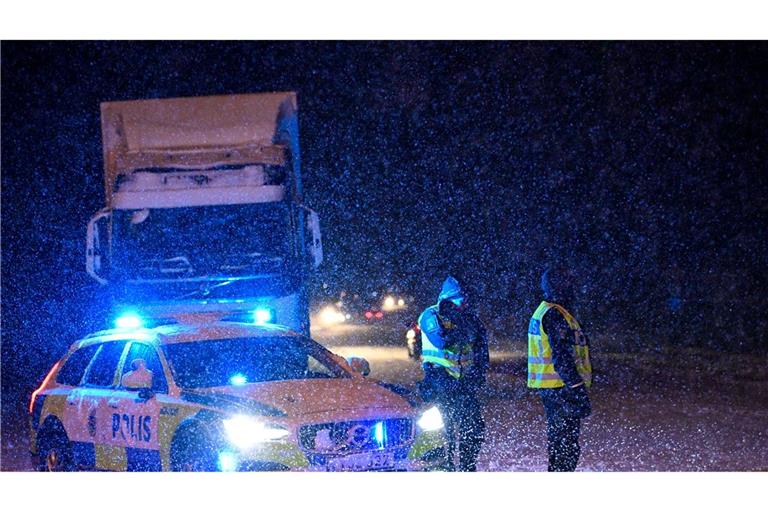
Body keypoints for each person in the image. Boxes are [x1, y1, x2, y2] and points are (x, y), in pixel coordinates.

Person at [418, 276, 489, 471]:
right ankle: (445, 467)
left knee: (473, 428)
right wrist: (462, 326)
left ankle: (467, 467)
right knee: (442, 432)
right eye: (459, 299)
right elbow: (441, 341)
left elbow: (481, 348)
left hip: (464, 382)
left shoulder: (470, 318)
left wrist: (479, 373)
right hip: (438, 381)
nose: (463, 303)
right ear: (447, 298)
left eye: (465, 299)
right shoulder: (430, 315)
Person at [527, 267, 593, 471]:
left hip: (554, 387)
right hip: (561, 387)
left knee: (560, 444)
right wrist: (576, 386)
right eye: (568, 283)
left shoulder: (549, 311)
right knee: (566, 447)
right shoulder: (554, 314)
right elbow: (561, 356)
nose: (573, 288)